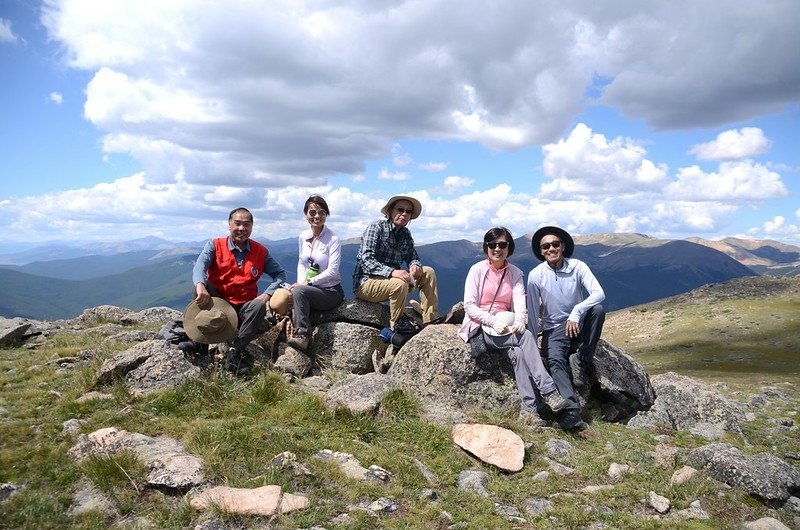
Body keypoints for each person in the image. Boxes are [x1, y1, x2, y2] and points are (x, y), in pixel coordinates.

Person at [459, 227, 569, 426]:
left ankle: (529, 410)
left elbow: (519, 301)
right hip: (482, 325)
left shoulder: (515, 273)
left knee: (518, 354)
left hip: (506, 326)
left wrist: (519, 321)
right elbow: (469, 306)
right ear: (486, 248)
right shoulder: (477, 270)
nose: (497, 248)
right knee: (525, 337)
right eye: (492, 245)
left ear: (509, 248)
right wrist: (492, 321)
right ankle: (549, 390)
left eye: (502, 244)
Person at [526, 226, 605, 431]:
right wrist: (532, 344)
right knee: (554, 361)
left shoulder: (577, 266)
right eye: (546, 246)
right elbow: (533, 312)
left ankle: (582, 359)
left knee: (597, 310)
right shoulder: (535, 275)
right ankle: (570, 411)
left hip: (578, 321)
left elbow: (598, 293)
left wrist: (577, 312)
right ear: (541, 251)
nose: (551, 248)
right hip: (554, 327)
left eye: (555, 244)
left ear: (563, 246)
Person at [192, 207, 288, 375]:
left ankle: (235, 350)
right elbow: (200, 265)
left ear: (252, 227)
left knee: (258, 306)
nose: (242, 229)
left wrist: (267, 294)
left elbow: (280, 274)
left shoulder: (260, 251)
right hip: (218, 303)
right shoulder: (215, 245)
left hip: (244, 307)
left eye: (246, 224)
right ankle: (200, 343)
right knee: (201, 287)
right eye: (237, 224)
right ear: (229, 225)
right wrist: (200, 284)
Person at [353, 195, 439, 328]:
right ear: (390, 211)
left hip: (392, 281)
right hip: (366, 283)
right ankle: (398, 327)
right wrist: (392, 272)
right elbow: (366, 259)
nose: (404, 214)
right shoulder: (376, 228)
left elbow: (412, 256)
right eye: (400, 209)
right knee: (399, 284)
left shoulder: (405, 234)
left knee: (428, 272)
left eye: (408, 211)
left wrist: (415, 265)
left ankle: (430, 319)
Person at [286, 195, 345, 351]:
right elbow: (302, 263)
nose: (317, 216)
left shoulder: (333, 239)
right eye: (312, 212)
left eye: (322, 212)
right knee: (291, 293)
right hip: (310, 288)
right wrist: (300, 283)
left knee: (299, 292)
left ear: (326, 215)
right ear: (306, 215)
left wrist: (307, 284)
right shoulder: (303, 236)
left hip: (331, 291)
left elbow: (333, 271)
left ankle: (303, 335)